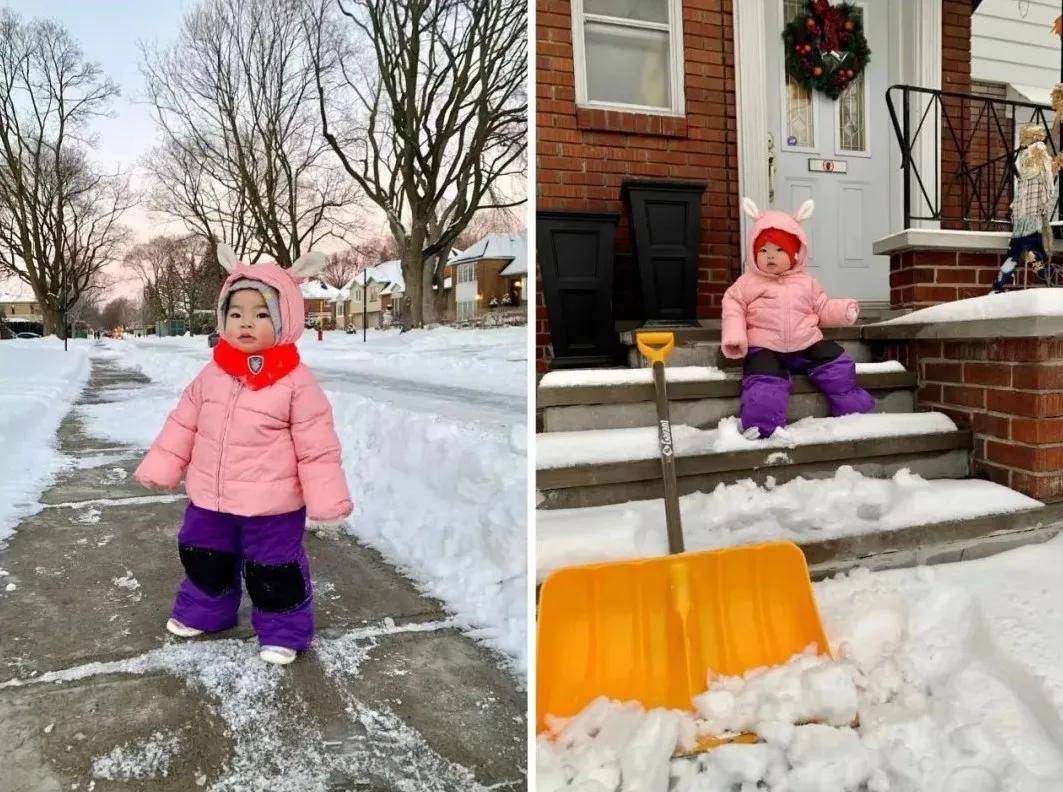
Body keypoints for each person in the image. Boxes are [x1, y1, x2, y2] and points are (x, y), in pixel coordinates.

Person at [134, 244, 352, 665]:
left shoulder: (296, 383)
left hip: (271, 505)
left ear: (285, 318)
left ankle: (283, 629)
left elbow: (317, 447)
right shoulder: (212, 373)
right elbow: (184, 423)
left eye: (261, 313)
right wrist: (163, 466)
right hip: (210, 499)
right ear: (222, 319)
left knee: (275, 568)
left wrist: (327, 500)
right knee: (203, 556)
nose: (246, 323)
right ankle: (207, 611)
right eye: (236, 314)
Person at [721, 198, 875, 439]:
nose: (770, 256)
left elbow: (822, 307)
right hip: (765, 346)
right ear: (754, 253)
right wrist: (735, 335)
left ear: (795, 253)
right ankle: (761, 428)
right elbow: (733, 306)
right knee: (764, 385)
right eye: (763, 250)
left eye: (779, 249)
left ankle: (853, 411)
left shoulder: (806, 282)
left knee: (838, 365)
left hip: (806, 342)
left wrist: (843, 311)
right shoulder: (748, 282)